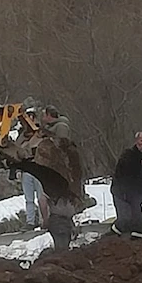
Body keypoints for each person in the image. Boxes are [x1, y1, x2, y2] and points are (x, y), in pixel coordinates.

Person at [40, 105, 80, 251]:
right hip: (64, 217)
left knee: (61, 248)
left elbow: (60, 145)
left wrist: (45, 220)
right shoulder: (55, 127)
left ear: (49, 114)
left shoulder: (61, 127)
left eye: (44, 115)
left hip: (59, 220)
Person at [110, 131, 142, 239]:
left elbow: (140, 181)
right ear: (136, 141)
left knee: (139, 224)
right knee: (125, 220)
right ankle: (109, 240)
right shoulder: (127, 154)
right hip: (121, 193)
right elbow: (125, 172)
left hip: (134, 195)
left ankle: (138, 245)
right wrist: (140, 164)